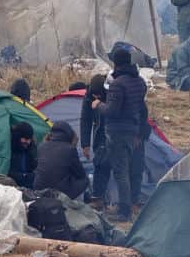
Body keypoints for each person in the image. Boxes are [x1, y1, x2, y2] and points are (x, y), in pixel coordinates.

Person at [97, 48, 149, 221]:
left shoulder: (118, 84)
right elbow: (142, 109)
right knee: (129, 170)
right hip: (132, 131)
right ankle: (128, 204)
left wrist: (98, 105)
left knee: (121, 172)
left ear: (116, 63)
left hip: (117, 132)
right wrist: (140, 133)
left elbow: (112, 111)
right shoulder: (140, 81)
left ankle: (124, 211)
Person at [34, 121, 89, 200]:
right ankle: (73, 204)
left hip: (38, 190)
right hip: (59, 193)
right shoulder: (70, 149)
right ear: (69, 135)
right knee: (85, 180)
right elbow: (80, 175)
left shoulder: (41, 146)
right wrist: (73, 146)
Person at [80, 74, 110, 208]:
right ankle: (98, 198)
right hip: (99, 136)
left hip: (114, 134)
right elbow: (85, 120)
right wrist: (85, 144)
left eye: (99, 95)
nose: (96, 98)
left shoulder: (112, 93)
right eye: (94, 95)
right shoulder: (88, 95)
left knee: (117, 168)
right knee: (99, 163)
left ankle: (124, 203)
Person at [8, 121, 38, 188]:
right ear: (17, 136)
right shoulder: (9, 151)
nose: (28, 142)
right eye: (25, 138)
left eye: (30, 139)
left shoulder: (29, 150)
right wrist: (25, 176)